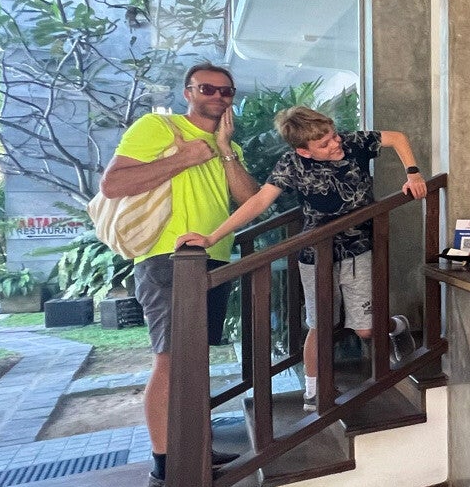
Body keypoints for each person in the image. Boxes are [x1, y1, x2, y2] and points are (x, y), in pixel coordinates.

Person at [178, 107, 427, 412]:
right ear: (304, 151)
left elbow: (397, 138)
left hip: (359, 248)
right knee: (320, 324)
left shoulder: (353, 142)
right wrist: (211, 238)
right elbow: (259, 201)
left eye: (333, 135)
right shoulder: (291, 164)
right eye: (324, 144)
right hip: (316, 254)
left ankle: (395, 326)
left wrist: (413, 173)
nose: (335, 143)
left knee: (365, 329)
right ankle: (313, 391)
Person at [100, 62, 260, 487]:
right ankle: (165, 468)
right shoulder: (159, 127)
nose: (218, 96)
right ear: (188, 92)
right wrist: (185, 157)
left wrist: (224, 149)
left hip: (213, 259)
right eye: (208, 88)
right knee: (170, 360)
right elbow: (113, 184)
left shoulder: (228, 145)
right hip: (168, 259)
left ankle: (193, 450)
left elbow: (248, 200)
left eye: (226, 91)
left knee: (194, 361)